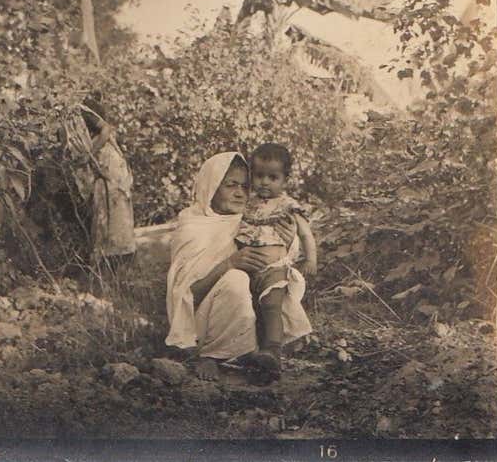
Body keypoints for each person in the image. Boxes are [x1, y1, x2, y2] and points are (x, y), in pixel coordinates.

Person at [165, 151, 311, 381]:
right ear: (211, 187)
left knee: (273, 279)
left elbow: (282, 261)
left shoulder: (251, 220)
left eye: (245, 186)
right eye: (230, 185)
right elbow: (186, 295)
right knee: (236, 278)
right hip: (204, 319)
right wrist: (229, 264)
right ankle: (211, 355)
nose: (240, 193)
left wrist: (289, 238)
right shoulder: (193, 226)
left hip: (251, 315)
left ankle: (262, 349)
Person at [235, 143, 317, 371]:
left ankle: (272, 350)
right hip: (246, 267)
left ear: (285, 180)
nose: (264, 182)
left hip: (274, 268)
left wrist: (311, 260)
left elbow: (305, 234)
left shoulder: (287, 205)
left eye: (273, 177)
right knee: (246, 307)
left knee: (271, 304)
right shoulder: (246, 203)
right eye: (259, 175)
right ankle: (245, 348)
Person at [63, 94, 135, 276]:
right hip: (102, 167)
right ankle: (107, 263)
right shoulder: (67, 118)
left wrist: (90, 153)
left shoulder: (80, 110)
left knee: (114, 210)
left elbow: (106, 130)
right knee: (103, 211)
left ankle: (118, 263)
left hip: (108, 165)